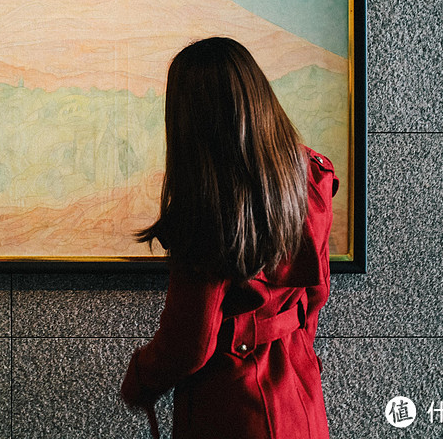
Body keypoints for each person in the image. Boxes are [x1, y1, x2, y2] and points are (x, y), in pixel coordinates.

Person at [120, 37, 338, 439]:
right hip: (301, 396)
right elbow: (317, 291)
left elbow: (190, 342)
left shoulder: (209, 206)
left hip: (233, 408)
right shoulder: (310, 175)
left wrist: (140, 378)